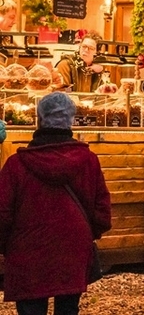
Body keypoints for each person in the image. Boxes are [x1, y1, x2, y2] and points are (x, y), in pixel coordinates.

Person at [0, 91, 111, 315]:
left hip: (27, 252)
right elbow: (102, 210)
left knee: (31, 307)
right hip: (73, 249)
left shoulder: (16, 164)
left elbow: (2, 213)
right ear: (71, 120)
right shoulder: (88, 161)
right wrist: (90, 234)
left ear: (39, 119)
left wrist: (5, 246)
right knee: (69, 308)